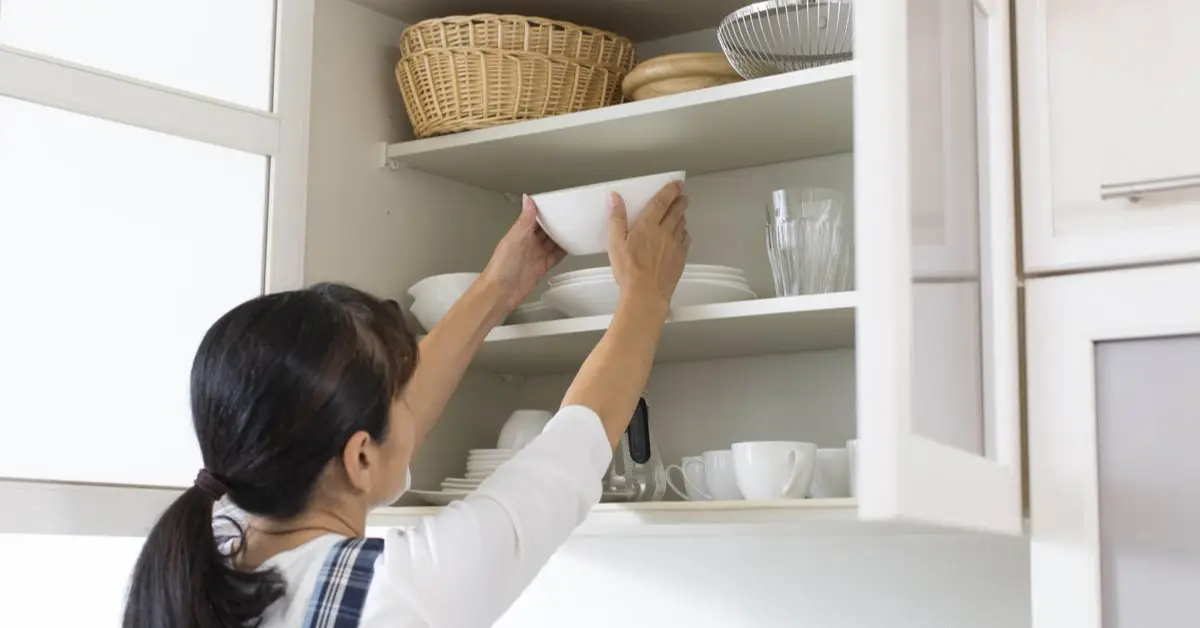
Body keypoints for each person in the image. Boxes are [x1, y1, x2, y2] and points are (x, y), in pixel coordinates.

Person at [123, 182, 690, 628]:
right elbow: (573, 448)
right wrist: (645, 294)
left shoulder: (213, 544)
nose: (409, 403)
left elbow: (356, 426)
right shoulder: (404, 591)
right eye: (396, 393)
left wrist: (500, 286)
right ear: (360, 458)